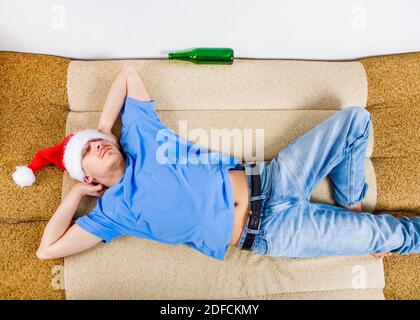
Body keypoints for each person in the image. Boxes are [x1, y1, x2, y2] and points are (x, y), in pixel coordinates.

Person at [35, 64, 419, 261]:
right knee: (391, 235)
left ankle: (349, 202)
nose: (97, 147)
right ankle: (374, 228)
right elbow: (47, 250)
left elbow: (128, 74)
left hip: (272, 178)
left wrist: (102, 128)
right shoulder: (112, 213)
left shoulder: (138, 134)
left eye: (95, 143)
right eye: (86, 152)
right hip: (272, 232)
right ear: (86, 176)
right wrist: (75, 197)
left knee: (355, 120)